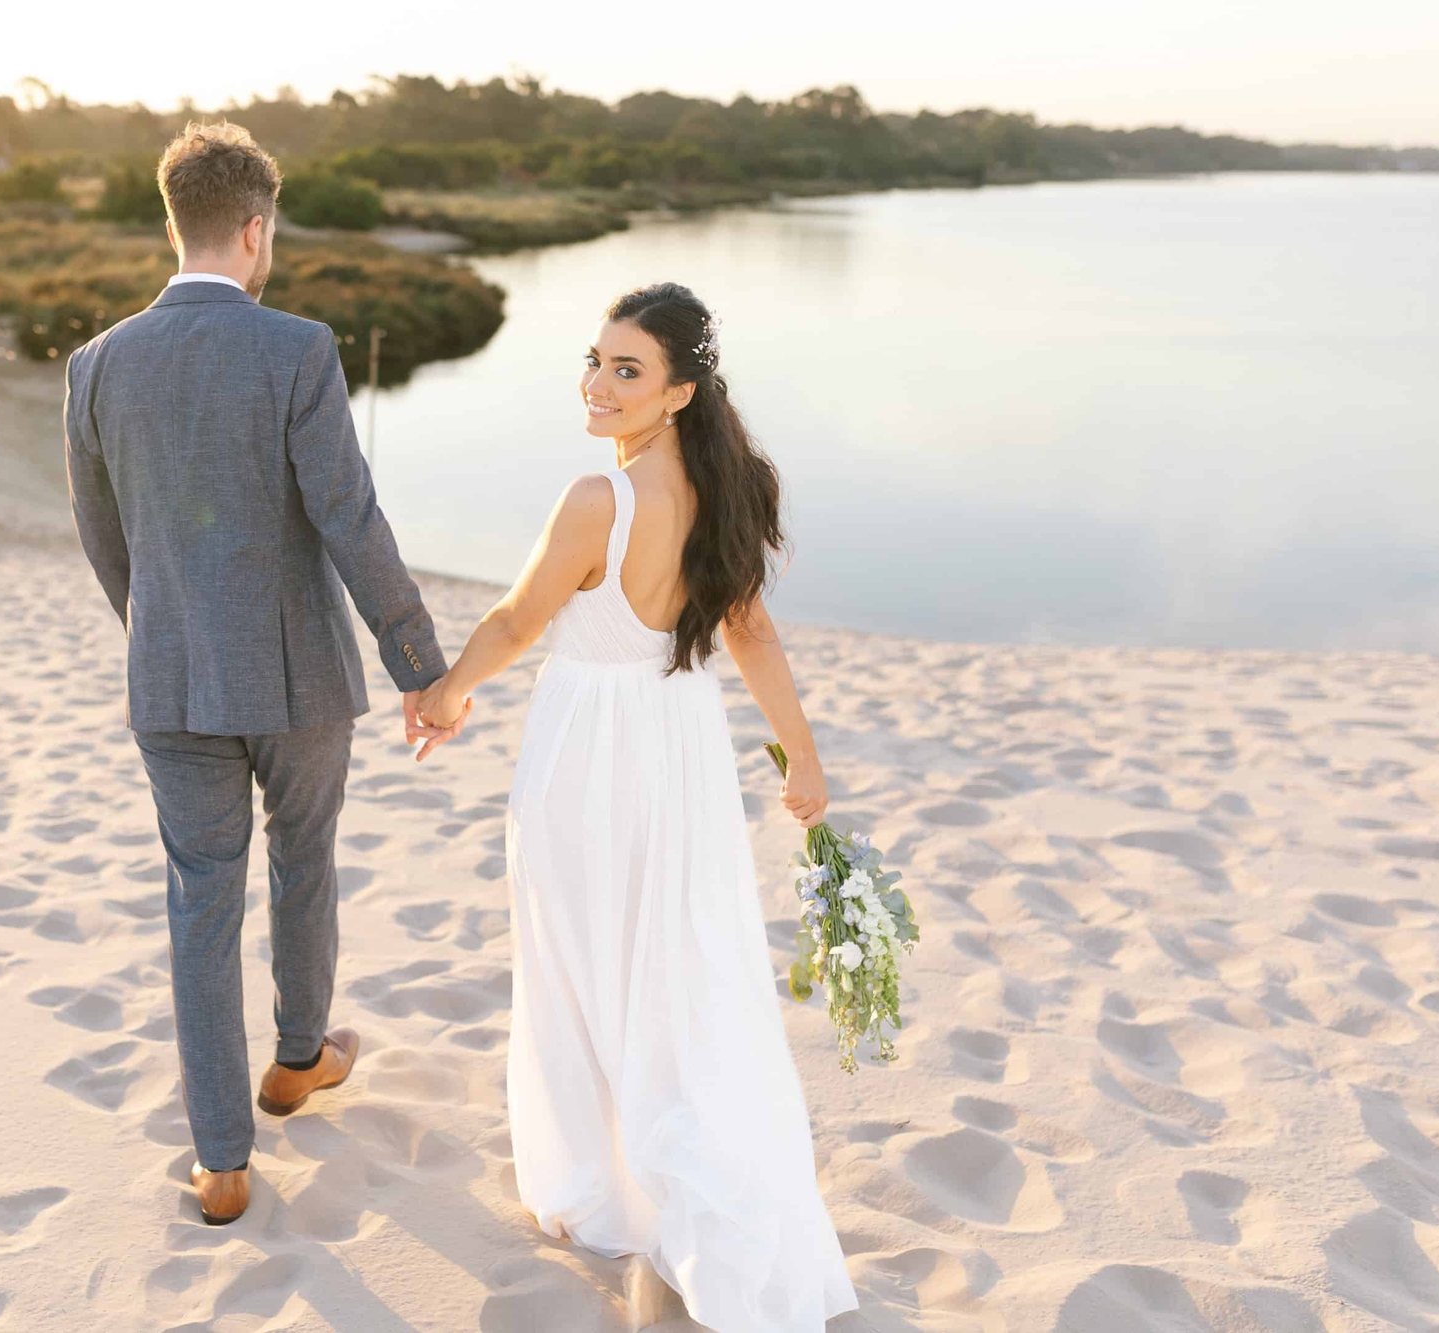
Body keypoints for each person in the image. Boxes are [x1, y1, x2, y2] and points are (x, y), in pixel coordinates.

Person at [417, 283, 860, 1329]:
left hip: (585, 752)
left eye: (627, 371)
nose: (598, 384)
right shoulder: (722, 492)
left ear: (678, 392)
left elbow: (519, 617)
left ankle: (604, 1189)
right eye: (594, 360)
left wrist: (445, 693)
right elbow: (748, 634)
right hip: (680, 753)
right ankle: (653, 1176)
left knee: (579, 962)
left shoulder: (596, 502)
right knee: (670, 965)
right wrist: (801, 755)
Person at [64, 121, 464, 1229]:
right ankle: (296, 1061)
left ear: (174, 222)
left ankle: (220, 1161)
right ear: (255, 229)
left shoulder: (93, 366)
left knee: (199, 900)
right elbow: (350, 518)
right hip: (296, 683)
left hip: (171, 678)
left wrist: (159, 633)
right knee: (304, 861)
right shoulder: (296, 349)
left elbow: (103, 541)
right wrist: (420, 666)